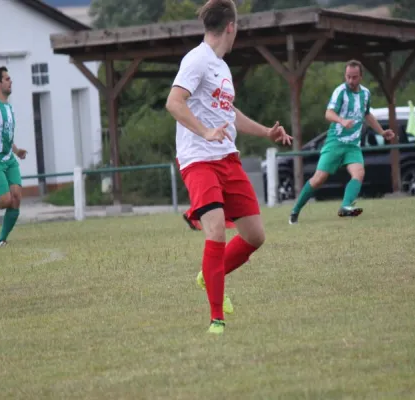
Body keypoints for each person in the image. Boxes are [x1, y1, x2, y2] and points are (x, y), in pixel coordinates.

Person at [166, 0, 292, 334]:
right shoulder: (197, 60)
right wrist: (205, 131)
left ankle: (209, 274)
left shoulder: (221, 66)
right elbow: (173, 102)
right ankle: (216, 319)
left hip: (228, 158)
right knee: (217, 230)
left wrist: (266, 131)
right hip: (198, 160)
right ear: (231, 27)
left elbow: (229, 113)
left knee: (255, 235)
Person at [288, 60, 395, 224]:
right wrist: (341, 120)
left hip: (353, 145)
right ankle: (295, 211)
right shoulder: (340, 92)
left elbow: (367, 114)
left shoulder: (365, 94)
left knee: (359, 173)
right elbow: (328, 113)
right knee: (318, 179)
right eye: (348, 77)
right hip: (335, 143)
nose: (351, 81)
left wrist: (381, 131)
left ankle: (345, 207)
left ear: (361, 77)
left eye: (354, 77)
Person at [0, 67, 27, 247]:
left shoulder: (9, 108)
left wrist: (17, 151)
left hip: (9, 159)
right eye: (7, 79)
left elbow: (6, 136)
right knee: (4, 201)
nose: (11, 82)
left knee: (16, 197)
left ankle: (1, 239)